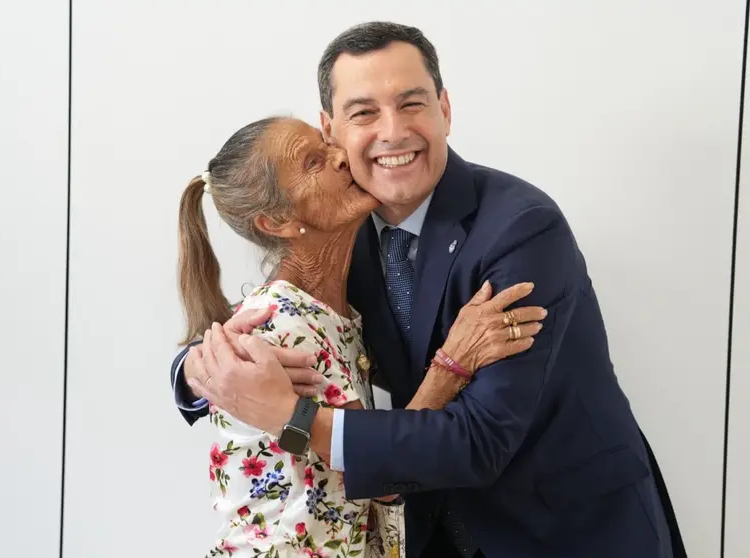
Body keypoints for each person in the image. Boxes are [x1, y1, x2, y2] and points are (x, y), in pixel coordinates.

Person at [176, 21, 686, 558]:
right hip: (425, 534)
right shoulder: (344, 234)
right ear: (331, 130)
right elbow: (268, 330)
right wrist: (194, 372)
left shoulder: (521, 229)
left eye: (412, 103)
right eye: (364, 112)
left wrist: (290, 416)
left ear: (445, 108)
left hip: (562, 532)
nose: (393, 131)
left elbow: (479, 441)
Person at [176, 116, 547, 557]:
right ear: (276, 221)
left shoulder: (339, 307)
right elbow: (381, 475)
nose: (340, 157)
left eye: (327, 145)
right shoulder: (283, 327)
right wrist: (453, 362)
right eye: (313, 162)